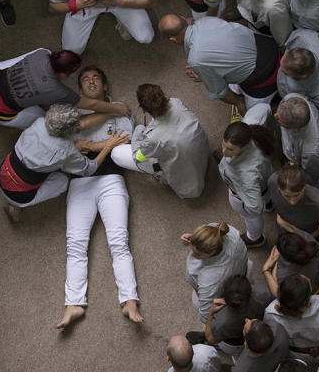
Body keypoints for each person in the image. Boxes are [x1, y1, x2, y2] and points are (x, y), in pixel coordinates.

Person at [57, 65, 142, 330]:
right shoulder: (73, 114)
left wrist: (91, 147)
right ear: (80, 90)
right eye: (85, 79)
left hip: (111, 180)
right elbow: (72, 147)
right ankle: (73, 304)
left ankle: (129, 300)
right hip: (79, 183)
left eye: (96, 78)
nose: (91, 81)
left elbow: (125, 145)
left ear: (105, 86)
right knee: (75, 245)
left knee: (119, 242)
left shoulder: (120, 109)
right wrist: (105, 145)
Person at [0, 104, 127, 221]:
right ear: (71, 130)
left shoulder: (39, 122)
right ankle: (16, 207)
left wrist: (110, 112)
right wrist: (108, 146)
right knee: (63, 181)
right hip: (20, 195)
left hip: (1, 173)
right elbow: (90, 168)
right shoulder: (66, 149)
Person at [0, 48, 129, 130]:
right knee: (46, 121)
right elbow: (92, 105)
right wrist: (115, 108)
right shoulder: (57, 91)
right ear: (63, 75)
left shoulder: (43, 52)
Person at [159, 15, 280, 111]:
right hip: (270, 47)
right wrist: (203, 70)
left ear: (172, 39)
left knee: (252, 118)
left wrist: (238, 103)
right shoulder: (206, 21)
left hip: (264, 78)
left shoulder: (196, 60)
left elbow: (220, 92)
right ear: (184, 19)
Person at [110, 84, 209, 199]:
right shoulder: (176, 102)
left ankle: (161, 176)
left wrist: (140, 129)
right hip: (202, 156)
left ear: (143, 108)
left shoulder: (153, 138)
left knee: (116, 153)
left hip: (190, 187)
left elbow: (138, 157)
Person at [218, 105, 273, 247]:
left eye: (230, 149)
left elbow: (255, 208)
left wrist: (236, 192)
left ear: (244, 146)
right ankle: (270, 204)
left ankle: (255, 238)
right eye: (223, 145)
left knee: (250, 216)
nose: (224, 151)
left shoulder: (245, 174)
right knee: (266, 192)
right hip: (265, 178)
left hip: (245, 192)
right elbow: (264, 107)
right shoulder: (248, 127)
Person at [182, 222, 251, 323]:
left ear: (212, 253)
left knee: (196, 301)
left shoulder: (207, 279)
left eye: (198, 254)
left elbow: (205, 316)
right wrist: (194, 238)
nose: (192, 254)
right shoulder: (231, 233)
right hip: (244, 273)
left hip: (223, 296)